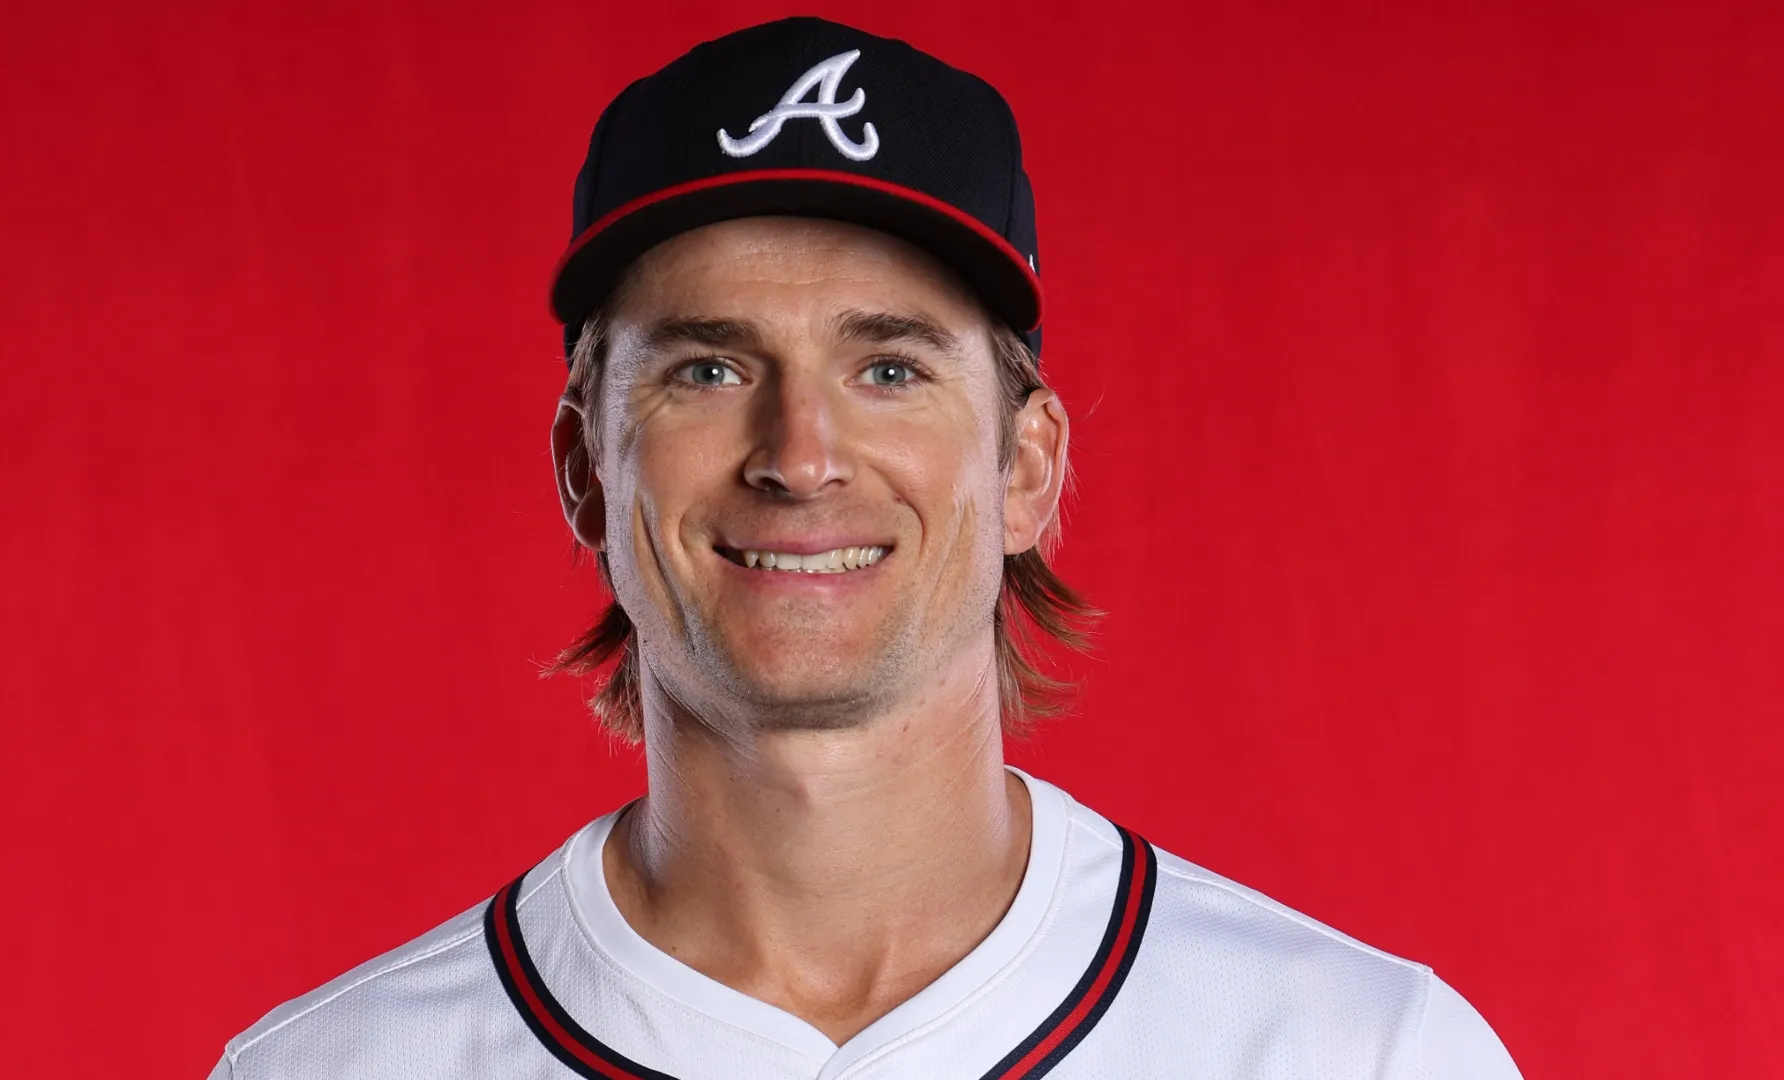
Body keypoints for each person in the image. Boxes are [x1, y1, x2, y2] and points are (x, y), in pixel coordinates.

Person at [209, 16, 1523, 1079]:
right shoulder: (330, 1069)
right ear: (584, 473)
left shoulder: (1361, 1056)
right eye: (710, 367)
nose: (800, 453)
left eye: (889, 366)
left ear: (1024, 467)